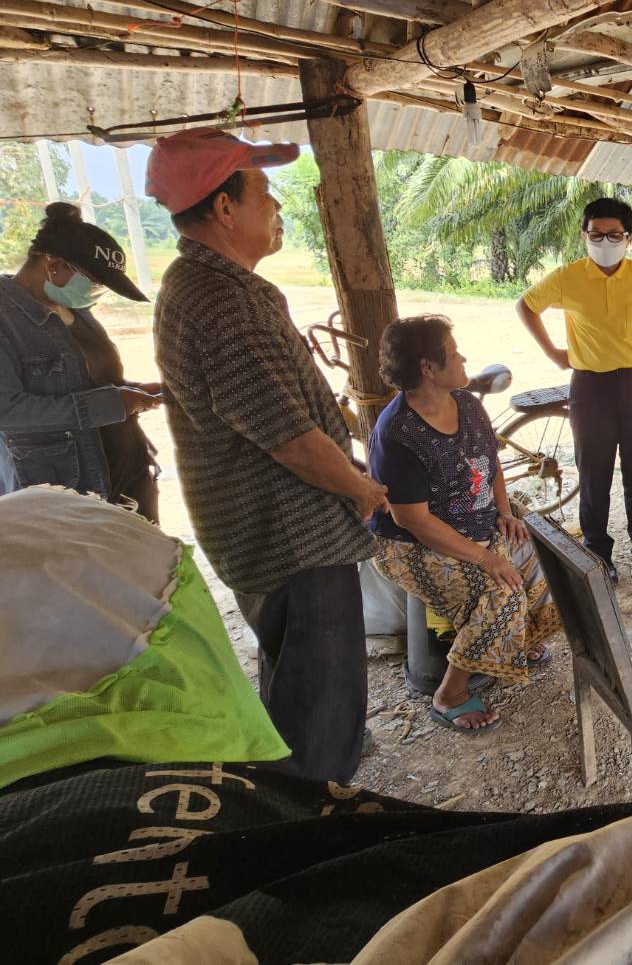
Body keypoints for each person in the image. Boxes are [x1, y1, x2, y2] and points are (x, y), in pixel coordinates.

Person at [148, 127, 387, 784]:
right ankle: (310, 826)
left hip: (261, 528)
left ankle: (291, 779)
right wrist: (362, 490)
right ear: (224, 209)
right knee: (324, 698)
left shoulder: (206, 285)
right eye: (263, 190)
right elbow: (290, 440)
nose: (276, 203)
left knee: (295, 676)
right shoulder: (224, 303)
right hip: (293, 535)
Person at [367, 315, 561, 733]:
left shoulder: (468, 406)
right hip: (414, 545)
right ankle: (448, 694)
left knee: (546, 553)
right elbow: (413, 520)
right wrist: (485, 558)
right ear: (428, 368)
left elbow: (490, 468)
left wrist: (506, 514)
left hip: (480, 523)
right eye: (454, 354)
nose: (463, 358)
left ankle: (518, 644)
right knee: (501, 591)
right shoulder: (397, 433)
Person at [516, 197, 632, 583]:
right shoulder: (566, 278)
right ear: (584, 235)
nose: (605, 242)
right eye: (596, 234)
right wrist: (555, 354)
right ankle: (596, 548)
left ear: (629, 238)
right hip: (590, 386)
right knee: (594, 471)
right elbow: (526, 306)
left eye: (614, 235)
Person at [0, 202, 163, 519]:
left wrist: (133, 392)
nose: (97, 292)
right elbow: (8, 411)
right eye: (95, 281)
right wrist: (113, 403)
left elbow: (90, 383)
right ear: (55, 266)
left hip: (127, 473)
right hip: (67, 495)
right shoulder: (5, 319)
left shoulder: (76, 311)